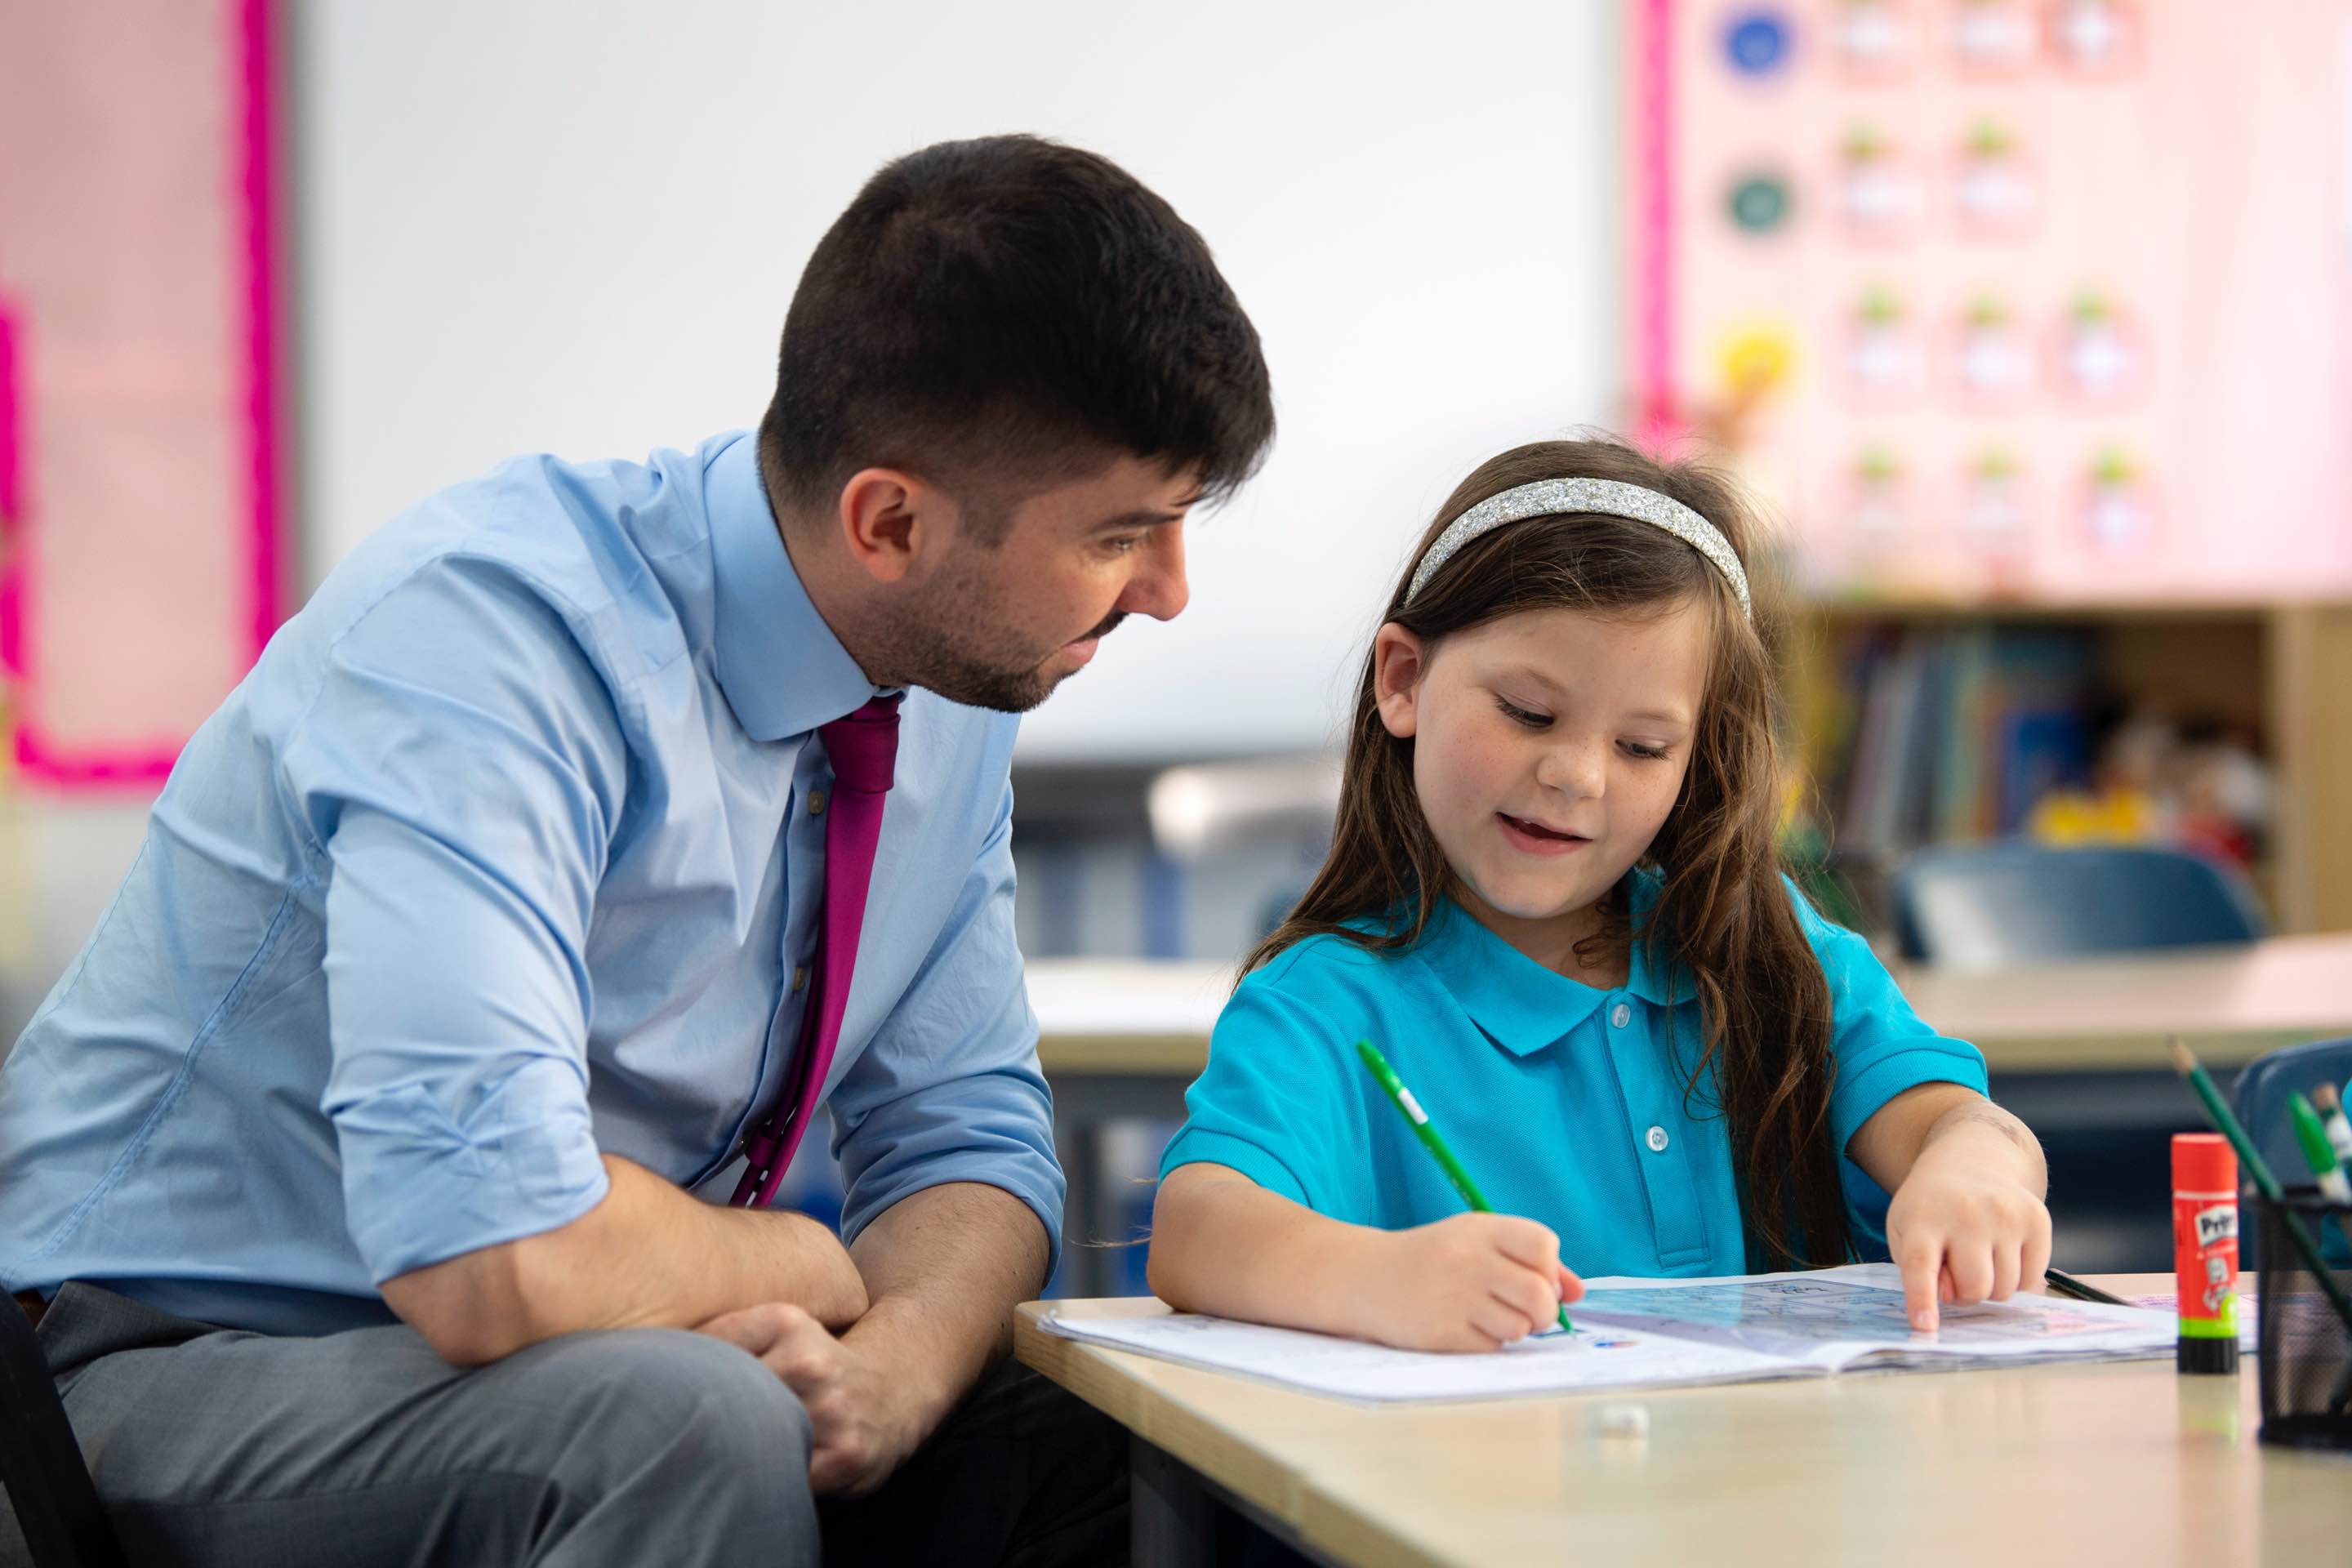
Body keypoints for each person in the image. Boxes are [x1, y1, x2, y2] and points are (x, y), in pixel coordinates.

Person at [0, 133, 1272, 1566]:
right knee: (686, 1425)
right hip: (150, 1370)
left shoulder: (947, 688)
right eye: (1121, 536)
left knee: (1130, 1434)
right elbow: (490, 1252)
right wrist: (800, 1257)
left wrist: (890, 1374)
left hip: (562, 1355)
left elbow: (965, 1140)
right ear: (891, 522)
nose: (1168, 592)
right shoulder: (490, 640)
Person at [1146, 438, 2050, 1352]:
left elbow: (1959, 1122)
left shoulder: (1765, 942)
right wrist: (1381, 1278)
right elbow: (1195, 1228)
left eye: (1643, 747)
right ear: (1404, 680)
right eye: (1528, 713)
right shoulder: (1325, 1003)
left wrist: (1973, 1169)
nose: (1577, 775)